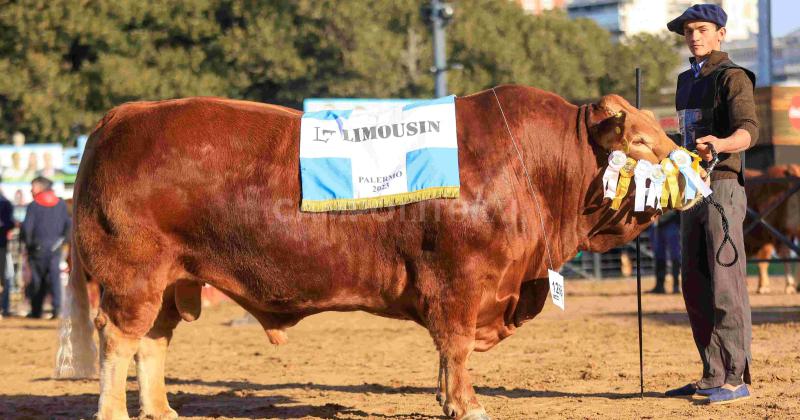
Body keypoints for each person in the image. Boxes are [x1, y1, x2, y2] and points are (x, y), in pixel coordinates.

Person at [664, 4, 759, 405]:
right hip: (690, 188)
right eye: (688, 31)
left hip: (722, 186)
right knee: (695, 283)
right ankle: (711, 373)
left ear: (721, 33)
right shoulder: (685, 80)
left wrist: (720, 144)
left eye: (701, 29)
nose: (694, 36)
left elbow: (749, 131)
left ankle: (735, 376)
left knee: (725, 283)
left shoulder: (733, 76)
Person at [21, 176, 71, 319]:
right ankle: (57, 309)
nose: (31, 190)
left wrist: (29, 245)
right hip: (55, 249)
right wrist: (61, 242)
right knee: (55, 278)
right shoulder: (60, 204)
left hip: (37, 249)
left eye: (33, 186)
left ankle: (37, 311)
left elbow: (27, 228)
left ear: (40, 187)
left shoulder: (34, 206)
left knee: (37, 280)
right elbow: (68, 225)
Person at [647, 209, 681, 294]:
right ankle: (659, 285)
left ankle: (676, 286)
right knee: (659, 255)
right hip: (657, 224)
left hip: (671, 222)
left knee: (675, 255)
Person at [0, 180, 16, 318]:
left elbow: (10, 224)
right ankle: (3, 307)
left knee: (3, 277)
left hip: (1, 245)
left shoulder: (5, 203)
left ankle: (3, 307)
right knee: (3, 277)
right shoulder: (6, 202)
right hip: (2, 245)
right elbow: (10, 224)